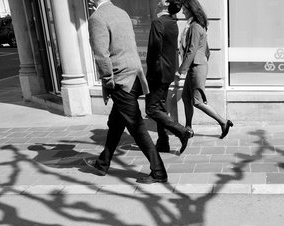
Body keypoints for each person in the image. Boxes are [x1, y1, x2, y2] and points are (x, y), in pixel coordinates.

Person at [84, 0, 168, 184]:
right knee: (116, 123)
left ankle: (159, 172)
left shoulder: (96, 18)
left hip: (121, 80)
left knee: (137, 128)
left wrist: (108, 82)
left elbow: (101, 54)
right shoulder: (122, 13)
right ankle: (102, 163)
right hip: (135, 76)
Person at [176, 0, 232, 147]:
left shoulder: (195, 27)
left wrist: (181, 70)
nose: (182, 12)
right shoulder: (196, 25)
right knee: (186, 97)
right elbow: (206, 50)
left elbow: (192, 50)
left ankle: (223, 122)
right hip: (197, 65)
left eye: (184, 9)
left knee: (197, 101)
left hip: (196, 66)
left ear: (190, 10)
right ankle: (189, 128)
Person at [146, 0, 194, 155]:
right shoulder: (172, 23)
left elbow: (154, 53)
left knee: (151, 109)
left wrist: (150, 76)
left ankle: (181, 131)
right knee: (160, 107)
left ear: (165, 4)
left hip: (158, 74)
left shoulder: (158, 23)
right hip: (167, 72)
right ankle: (163, 142)